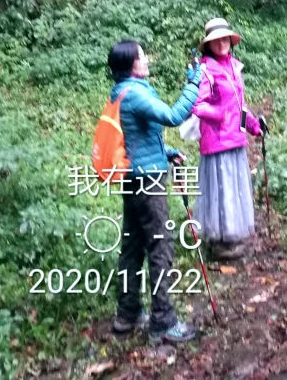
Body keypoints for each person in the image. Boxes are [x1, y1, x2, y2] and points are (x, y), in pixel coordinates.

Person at [107, 39, 202, 344]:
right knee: (160, 245)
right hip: (148, 183)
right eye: (142, 56)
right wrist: (194, 82)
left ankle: (128, 314)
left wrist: (168, 152)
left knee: (132, 247)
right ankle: (163, 321)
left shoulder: (120, 92)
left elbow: (141, 135)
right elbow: (173, 116)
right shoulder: (134, 94)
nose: (147, 59)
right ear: (130, 65)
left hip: (131, 177)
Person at [191, 18, 267, 261]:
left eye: (225, 38)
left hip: (235, 138)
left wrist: (253, 125)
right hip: (216, 140)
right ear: (209, 45)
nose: (222, 43)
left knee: (234, 188)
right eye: (216, 40)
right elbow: (197, 105)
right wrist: (219, 115)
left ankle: (232, 237)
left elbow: (240, 106)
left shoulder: (234, 67)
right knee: (221, 190)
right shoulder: (206, 71)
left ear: (230, 41)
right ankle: (220, 243)